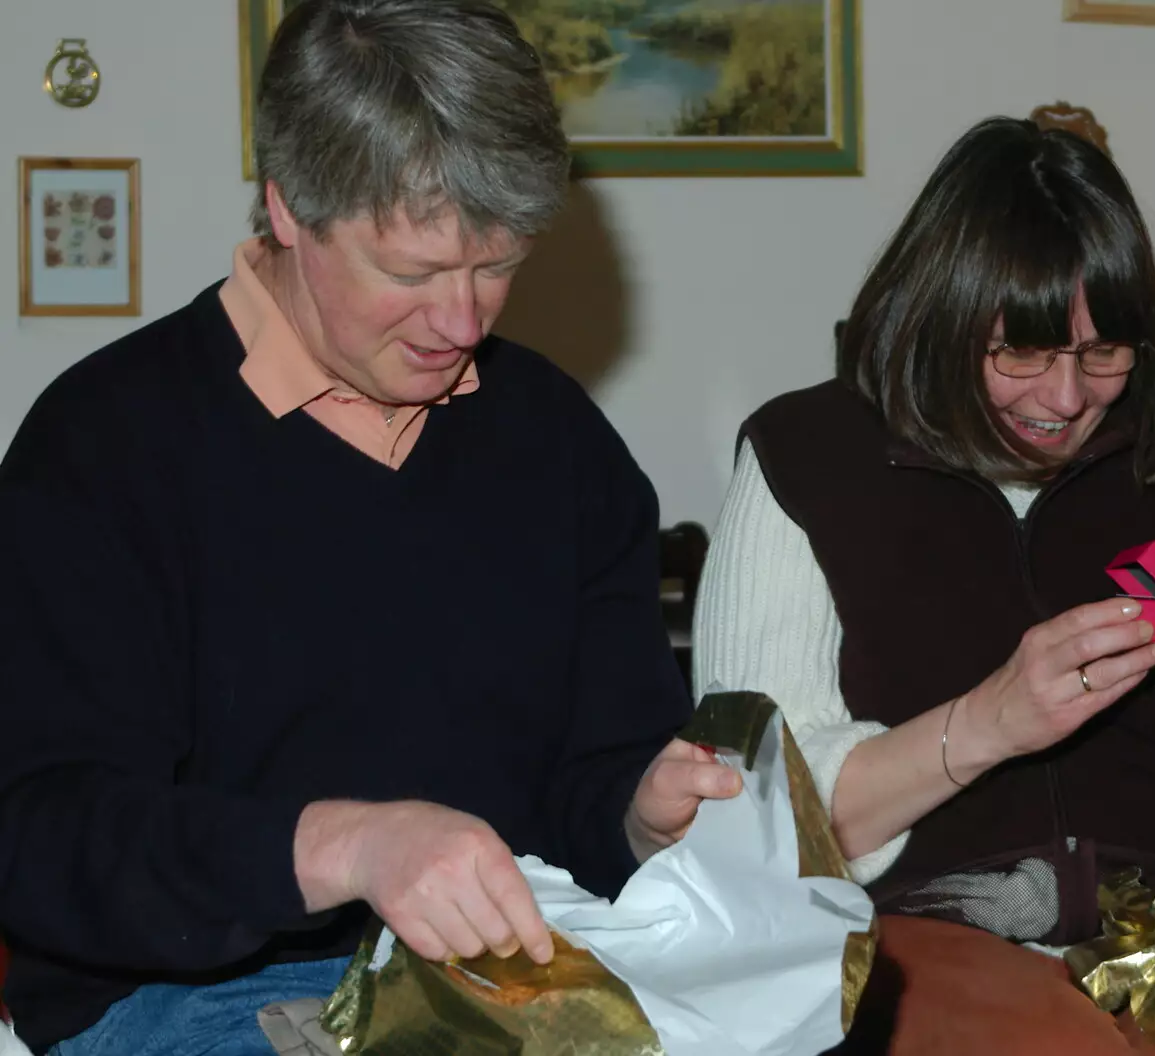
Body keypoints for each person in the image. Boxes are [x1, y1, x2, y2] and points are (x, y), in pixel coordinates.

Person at [0, 3, 738, 1054]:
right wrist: (349, 848)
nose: (465, 321)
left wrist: (640, 813)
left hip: (512, 977)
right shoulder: (104, 447)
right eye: (413, 273)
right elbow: (41, 834)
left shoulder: (558, 442)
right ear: (288, 208)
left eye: (498, 264)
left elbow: (590, 784)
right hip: (191, 996)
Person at [693, 116, 1155, 1053]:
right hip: (930, 913)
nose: (1066, 398)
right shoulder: (805, 458)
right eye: (1020, 352)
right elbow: (752, 815)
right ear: (940, 316)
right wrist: (988, 724)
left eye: (1103, 352)